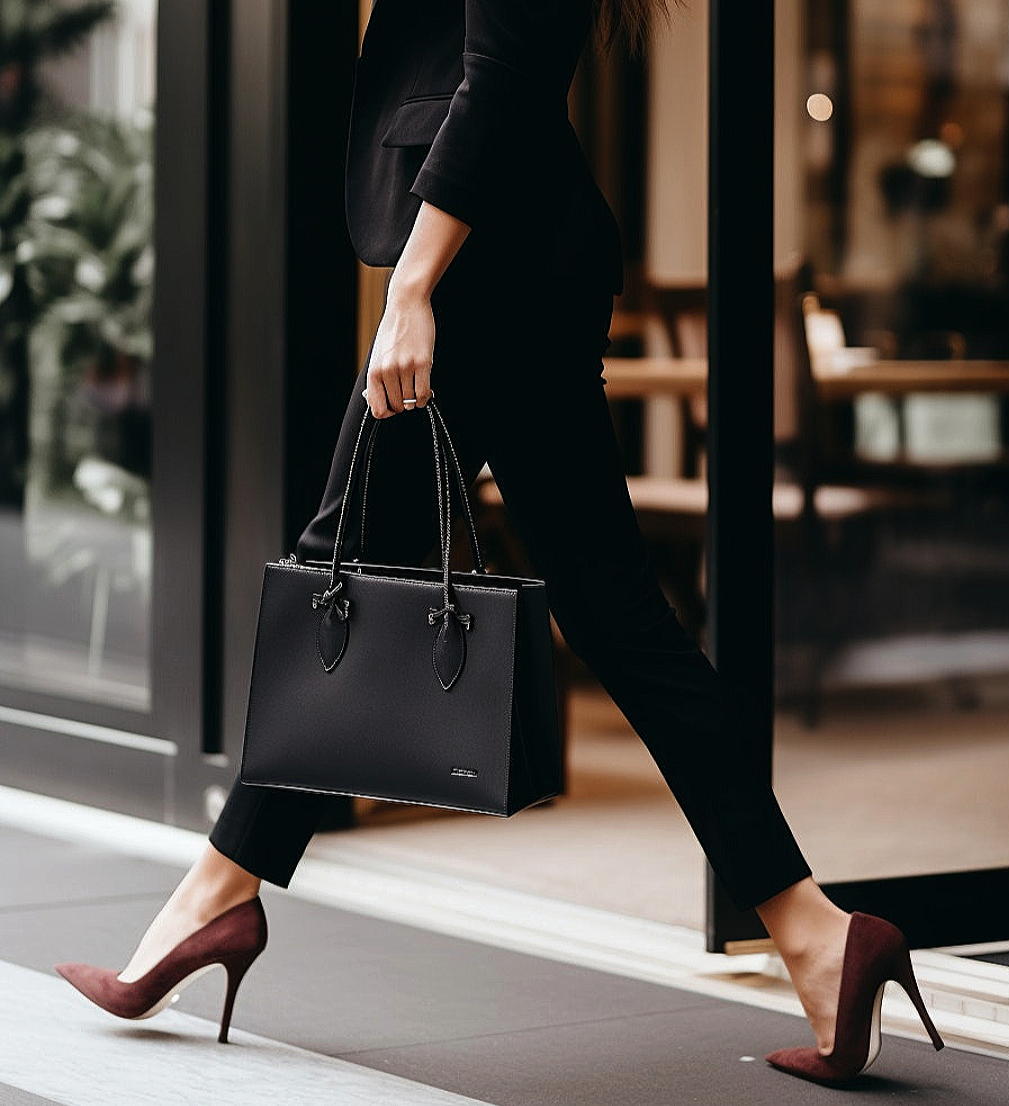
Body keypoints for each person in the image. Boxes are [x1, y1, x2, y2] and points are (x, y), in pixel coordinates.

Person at [53, 0, 944, 1087]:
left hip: (487, 264)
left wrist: (414, 286)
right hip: (516, 254)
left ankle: (217, 894)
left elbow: (504, 67)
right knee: (611, 613)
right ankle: (818, 936)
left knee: (345, 568)